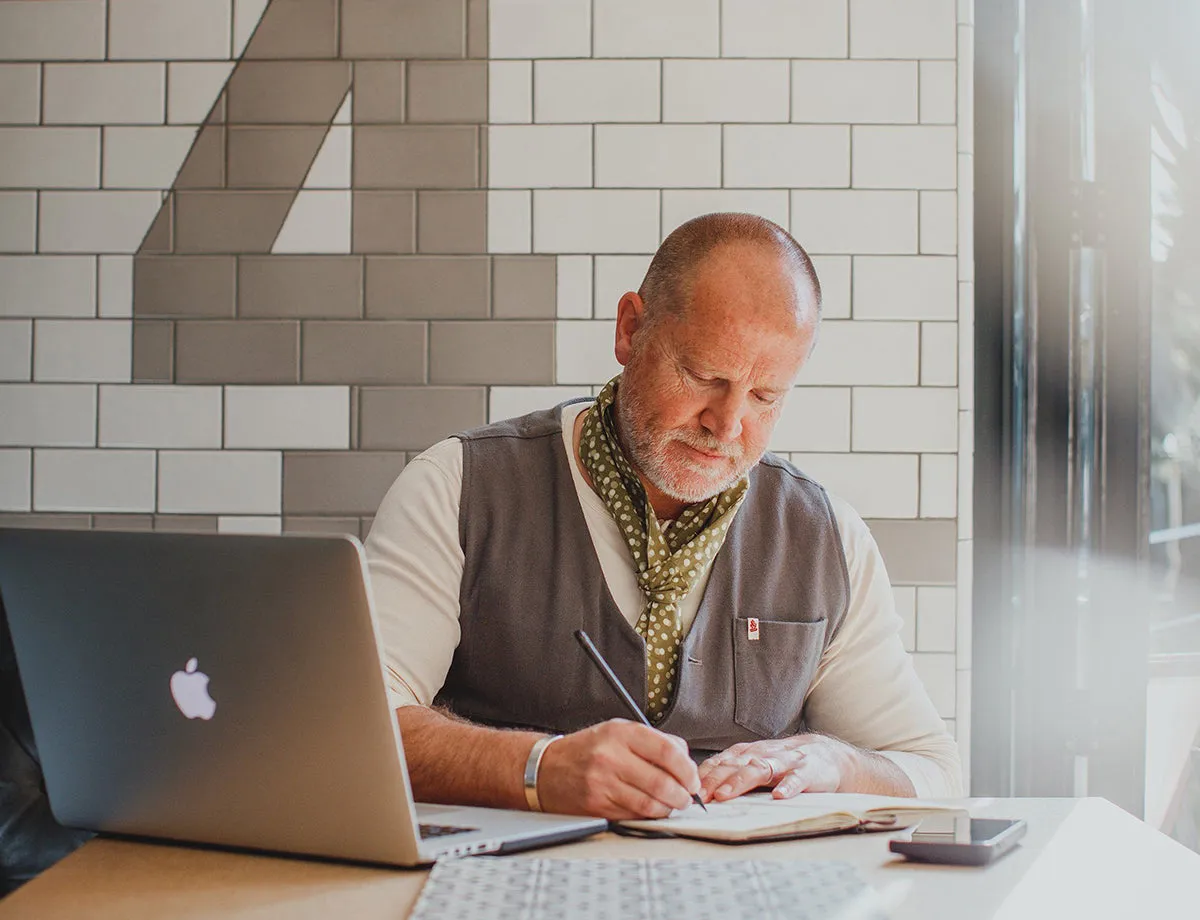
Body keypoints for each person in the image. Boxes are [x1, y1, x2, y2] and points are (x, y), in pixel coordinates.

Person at [365, 212, 962, 820]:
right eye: (703, 376)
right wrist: (537, 768)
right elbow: (357, 726)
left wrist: (839, 764)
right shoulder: (457, 488)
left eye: (765, 396)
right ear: (630, 330)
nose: (726, 426)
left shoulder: (828, 540)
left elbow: (933, 767)